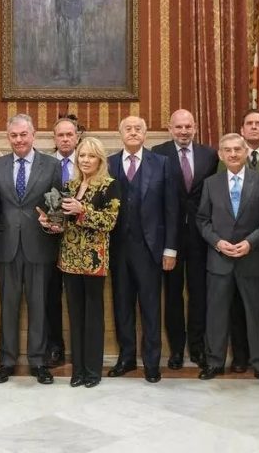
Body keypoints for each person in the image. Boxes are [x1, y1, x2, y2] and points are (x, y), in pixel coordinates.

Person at [196, 133, 259, 388]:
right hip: (220, 259)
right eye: (227, 150)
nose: (233, 154)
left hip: (252, 258)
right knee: (217, 313)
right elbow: (202, 220)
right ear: (220, 155)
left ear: (246, 153)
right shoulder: (211, 183)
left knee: (257, 314)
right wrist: (217, 242)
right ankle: (214, 361)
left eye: (237, 149)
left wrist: (250, 242)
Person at [39, 136, 120, 388]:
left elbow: (110, 222)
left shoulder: (109, 185)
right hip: (69, 260)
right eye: (82, 155)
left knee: (93, 316)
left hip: (94, 259)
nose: (85, 160)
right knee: (74, 316)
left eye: (90, 156)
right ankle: (78, 370)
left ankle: (92, 370)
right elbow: (63, 225)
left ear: (100, 159)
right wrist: (50, 225)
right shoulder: (71, 185)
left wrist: (82, 211)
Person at [0, 114, 62, 385]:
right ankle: (6, 362)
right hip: (6, 247)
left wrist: (53, 222)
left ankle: (38, 362)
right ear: (8, 137)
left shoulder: (52, 165)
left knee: (39, 306)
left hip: (40, 245)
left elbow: (57, 203)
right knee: (8, 307)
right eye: (14, 135)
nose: (19, 140)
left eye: (23, 134)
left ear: (34, 135)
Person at [106, 116, 178, 383]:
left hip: (151, 249)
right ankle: (126, 358)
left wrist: (170, 249)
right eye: (128, 129)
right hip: (117, 248)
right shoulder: (109, 163)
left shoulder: (161, 164)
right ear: (120, 133)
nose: (133, 132)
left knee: (150, 307)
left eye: (138, 129)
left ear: (145, 134)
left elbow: (172, 209)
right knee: (121, 305)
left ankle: (151, 362)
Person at [151, 109, 219, 369]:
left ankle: (198, 348)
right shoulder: (158, 153)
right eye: (178, 127)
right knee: (173, 295)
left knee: (199, 293)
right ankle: (177, 349)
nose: (183, 131)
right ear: (170, 128)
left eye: (188, 126)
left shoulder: (209, 154)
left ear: (195, 127)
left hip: (201, 236)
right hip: (170, 236)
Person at [218, 109, 259, 372]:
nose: (254, 127)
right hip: (233, 248)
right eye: (249, 123)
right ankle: (241, 356)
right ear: (243, 129)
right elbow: (220, 200)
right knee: (236, 306)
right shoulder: (226, 159)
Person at [44, 116, 81, 367]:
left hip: (81, 244)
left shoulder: (89, 162)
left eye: (70, 134)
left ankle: (82, 351)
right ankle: (55, 347)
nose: (65, 139)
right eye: (61, 135)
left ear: (77, 137)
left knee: (79, 299)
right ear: (54, 139)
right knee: (50, 297)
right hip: (50, 243)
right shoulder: (45, 164)